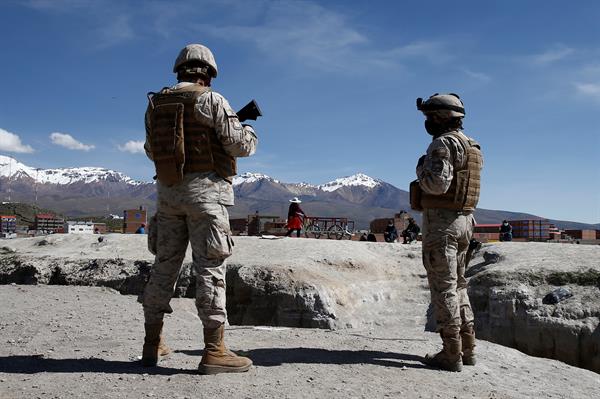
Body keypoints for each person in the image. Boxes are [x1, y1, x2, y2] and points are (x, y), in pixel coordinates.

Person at [141, 44, 257, 374]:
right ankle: (215, 350)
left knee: (163, 268)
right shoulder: (211, 100)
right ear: (208, 72)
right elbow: (240, 146)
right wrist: (248, 129)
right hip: (206, 200)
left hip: (168, 197)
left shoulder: (155, 104)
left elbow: (152, 151)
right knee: (209, 271)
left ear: (179, 70)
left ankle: (152, 344)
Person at [411, 93, 483, 372]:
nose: (427, 122)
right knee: (459, 285)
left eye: (429, 117)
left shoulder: (443, 144)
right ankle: (468, 348)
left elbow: (436, 184)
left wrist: (420, 167)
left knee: (444, 287)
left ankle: (450, 353)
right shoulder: (472, 145)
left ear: (440, 117)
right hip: (465, 221)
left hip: (443, 225)